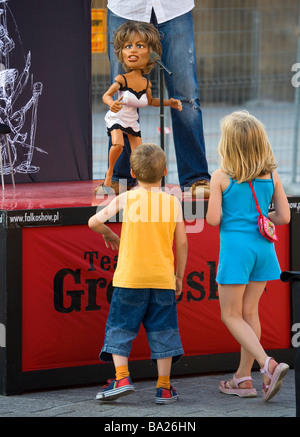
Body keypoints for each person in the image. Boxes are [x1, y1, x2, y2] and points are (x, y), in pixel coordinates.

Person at [89, 143, 187, 404]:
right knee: (163, 331)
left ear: (132, 172)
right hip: (163, 280)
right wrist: (179, 276)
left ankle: (122, 377)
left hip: (129, 279)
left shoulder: (127, 198)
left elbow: (93, 221)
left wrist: (110, 233)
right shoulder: (172, 202)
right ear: (165, 171)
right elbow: (183, 244)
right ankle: (164, 387)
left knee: (121, 328)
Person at [206, 110, 290, 402]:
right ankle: (243, 378)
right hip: (264, 249)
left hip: (236, 251)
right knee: (249, 313)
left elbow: (214, 220)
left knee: (230, 315)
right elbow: (284, 217)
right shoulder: (272, 175)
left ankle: (268, 365)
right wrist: (260, 214)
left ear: (227, 144)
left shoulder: (220, 177)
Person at [96, 0, 210, 198]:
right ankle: (119, 178)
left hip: (174, 8)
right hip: (126, 8)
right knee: (123, 96)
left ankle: (195, 178)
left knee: (186, 97)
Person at [100, 21, 182, 192]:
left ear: (150, 53)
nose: (133, 50)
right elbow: (106, 95)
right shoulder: (122, 79)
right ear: (122, 53)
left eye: (140, 46)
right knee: (118, 145)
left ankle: (142, 186)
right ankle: (109, 176)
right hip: (117, 117)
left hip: (131, 121)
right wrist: (111, 103)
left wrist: (170, 102)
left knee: (139, 155)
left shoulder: (146, 83)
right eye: (128, 46)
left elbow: (151, 102)